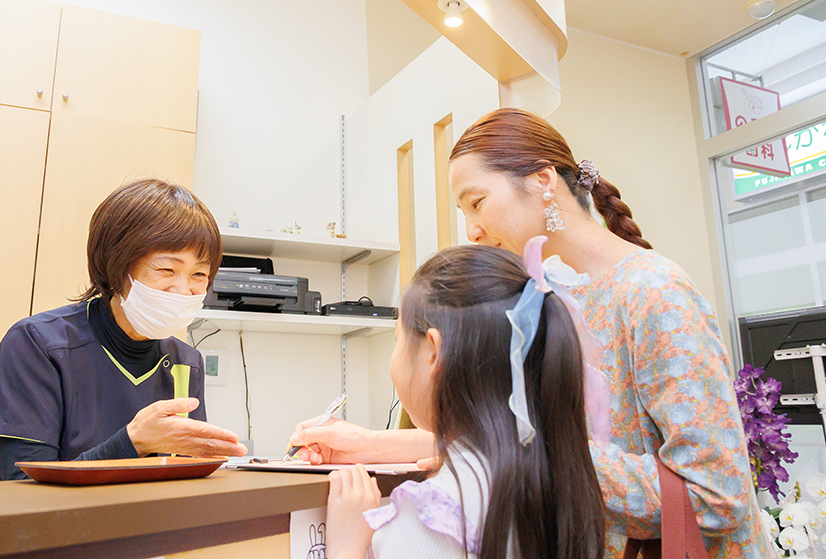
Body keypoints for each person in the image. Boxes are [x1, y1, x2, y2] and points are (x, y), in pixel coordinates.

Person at [290, 109, 771, 557]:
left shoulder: (655, 293)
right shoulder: (540, 298)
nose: (472, 231)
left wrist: (542, 460)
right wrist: (364, 444)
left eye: (477, 203)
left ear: (543, 181)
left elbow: (717, 493)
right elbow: (506, 439)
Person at [324, 244, 606, 559]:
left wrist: (346, 548)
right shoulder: (555, 478)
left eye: (397, 339)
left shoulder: (427, 517)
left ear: (433, 353)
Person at [0, 179, 247, 481]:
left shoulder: (186, 362)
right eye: (167, 269)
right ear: (117, 266)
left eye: (199, 274)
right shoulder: (38, 345)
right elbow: (24, 487)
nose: (183, 290)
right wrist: (133, 443)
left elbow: (182, 478)